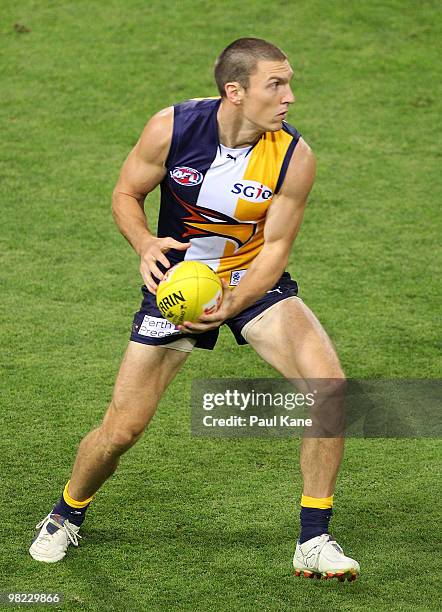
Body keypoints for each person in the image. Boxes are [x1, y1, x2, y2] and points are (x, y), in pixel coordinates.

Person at [29, 37, 360, 581]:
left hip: (250, 283)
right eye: (276, 84)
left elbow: (274, 253)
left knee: (329, 389)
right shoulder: (173, 128)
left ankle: (313, 539)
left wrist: (232, 300)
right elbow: (124, 194)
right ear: (235, 91)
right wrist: (144, 245)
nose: (289, 97)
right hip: (177, 288)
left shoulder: (294, 158)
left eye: (289, 82)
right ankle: (67, 512)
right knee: (122, 429)